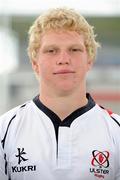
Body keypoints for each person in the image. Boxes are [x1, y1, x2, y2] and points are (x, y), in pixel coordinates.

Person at [0, 7, 120, 180]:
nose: (64, 59)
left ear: (90, 60)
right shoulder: (5, 131)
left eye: (74, 50)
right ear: (35, 63)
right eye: (51, 50)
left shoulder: (116, 131)